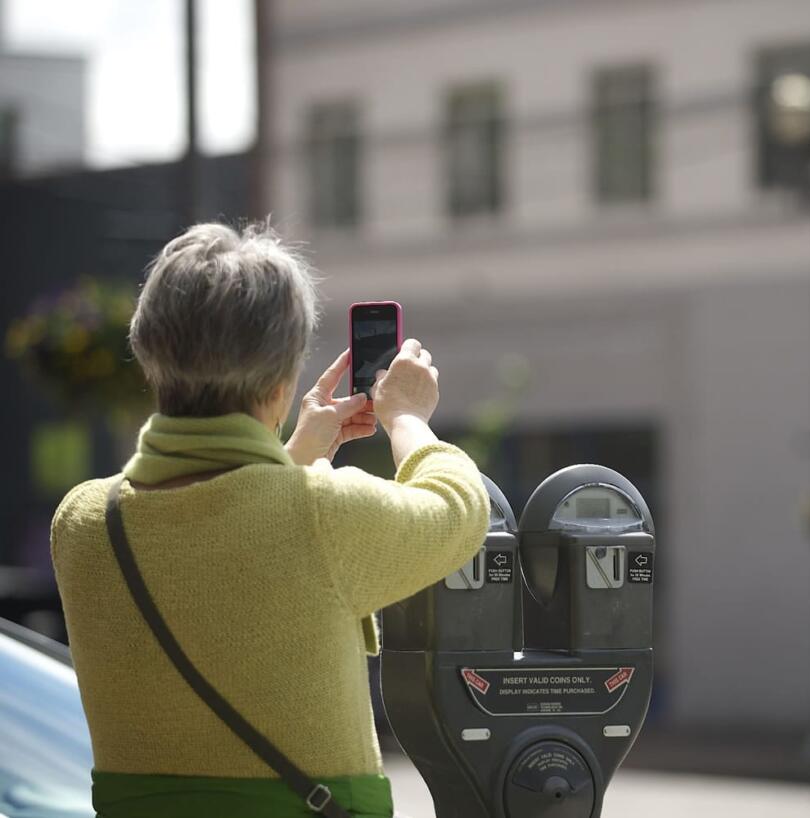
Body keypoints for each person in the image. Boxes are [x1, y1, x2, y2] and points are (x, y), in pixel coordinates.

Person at [50, 223, 490, 817]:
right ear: (282, 382)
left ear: (150, 357)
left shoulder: (81, 523)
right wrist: (407, 417)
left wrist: (298, 452)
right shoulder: (321, 515)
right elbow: (459, 509)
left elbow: (218, 531)